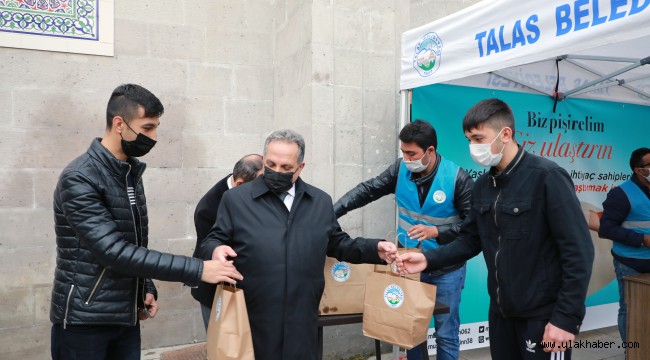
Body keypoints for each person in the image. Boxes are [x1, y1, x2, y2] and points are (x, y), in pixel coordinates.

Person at [49, 84, 242, 360]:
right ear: (119, 124)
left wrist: (144, 287)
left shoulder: (129, 172)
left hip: (125, 317)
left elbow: (133, 242)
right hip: (85, 321)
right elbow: (113, 252)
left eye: (156, 128)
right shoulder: (80, 178)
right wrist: (199, 269)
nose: (154, 137)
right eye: (148, 127)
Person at [396, 98, 594, 359]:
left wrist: (566, 319)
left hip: (543, 317)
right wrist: (426, 259)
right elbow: (469, 240)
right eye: (469, 140)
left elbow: (579, 251)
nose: (473, 147)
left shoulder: (546, 177)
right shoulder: (483, 187)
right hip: (501, 314)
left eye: (479, 138)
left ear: (506, 134)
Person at [198, 129, 398, 360]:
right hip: (254, 315)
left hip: (303, 315)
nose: (277, 171)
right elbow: (211, 240)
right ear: (263, 161)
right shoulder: (236, 199)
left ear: (300, 167)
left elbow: (338, 243)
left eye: (286, 168)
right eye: (271, 164)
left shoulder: (319, 202)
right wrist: (215, 249)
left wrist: (375, 249)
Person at [333, 120, 473, 360]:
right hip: (408, 265)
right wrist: (331, 212)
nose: (407, 158)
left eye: (412, 153)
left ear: (430, 151)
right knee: (410, 330)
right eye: (403, 153)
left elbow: (473, 226)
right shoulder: (400, 170)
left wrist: (438, 232)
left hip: (446, 268)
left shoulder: (457, 177)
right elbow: (368, 190)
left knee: (446, 333)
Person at [192, 153, 263, 330]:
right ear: (240, 184)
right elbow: (210, 250)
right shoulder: (208, 208)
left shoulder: (249, 191)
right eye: (261, 183)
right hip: (218, 291)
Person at [599, 147, 650, 344]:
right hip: (630, 262)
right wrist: (642, 239)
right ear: (639, 170)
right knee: (629, 309)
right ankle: (632, 351)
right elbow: (606, 229)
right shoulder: (621, 194)